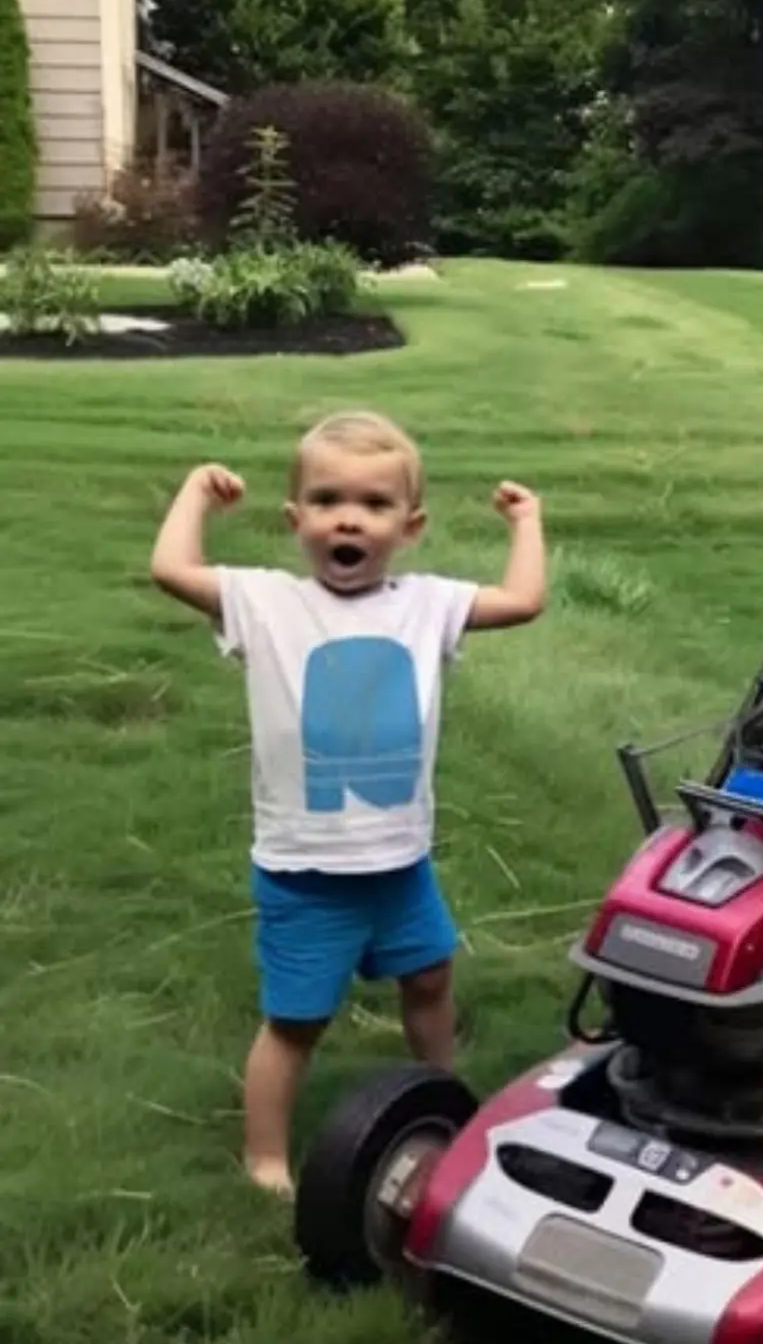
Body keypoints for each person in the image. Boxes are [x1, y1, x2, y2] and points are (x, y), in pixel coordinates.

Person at [149, 408, 547, 1193]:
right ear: (296, 519)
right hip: (305, 873)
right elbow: (171, 570)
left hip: (401, 863)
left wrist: (526, 521)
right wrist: (195, 495)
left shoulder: (428, 605)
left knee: (430, 979)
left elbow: (524, 600)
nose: (348, 518)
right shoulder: (263, 602)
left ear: (410, 525)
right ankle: (264, 1156)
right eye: (328, 500)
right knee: (295, 1023)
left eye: (373, 504)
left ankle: (441, 1097)